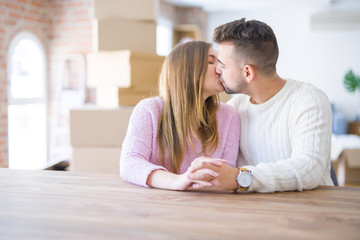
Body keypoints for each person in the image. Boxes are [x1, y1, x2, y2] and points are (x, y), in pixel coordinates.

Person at [187, 18, 334, 193]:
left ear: (247, 72)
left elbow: (309, 170)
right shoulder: (235, 109)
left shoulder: (309, 100)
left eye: (223, 65)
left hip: (311, 209)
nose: (217, 70)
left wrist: (240, 177)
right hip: (254, 211)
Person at [120, 41, 241, 190]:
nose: (220, 69)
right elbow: (130, 163)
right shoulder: (149, 110)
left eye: (221, 62)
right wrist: (177, 181)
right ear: (187, 70)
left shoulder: (229, 116)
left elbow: (225, 174)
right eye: (211, 61)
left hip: (208, 203)